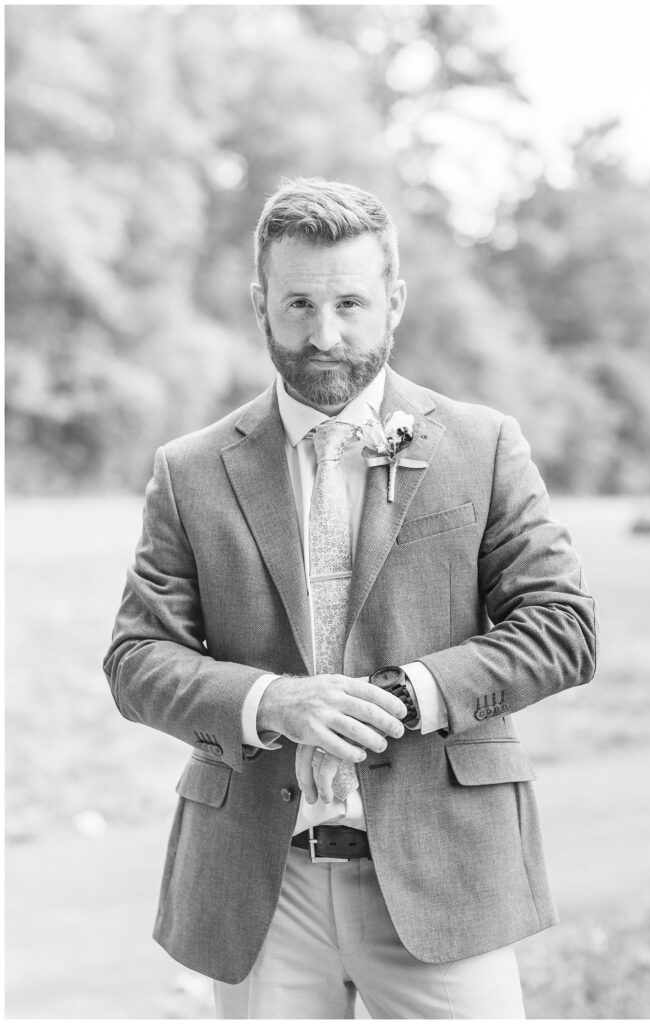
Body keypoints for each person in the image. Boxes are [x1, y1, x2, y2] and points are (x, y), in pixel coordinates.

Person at [104, 177, 597, 1019]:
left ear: (393, 301)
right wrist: (273, 702)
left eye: (349, 304)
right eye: (296, 304)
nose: (322, 335)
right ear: (260, 304)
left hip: (445, 873)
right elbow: (137, 658)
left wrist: (406, 695)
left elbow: (562, 629)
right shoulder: (189, 471)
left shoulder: (481, 445)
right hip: (260, 879)